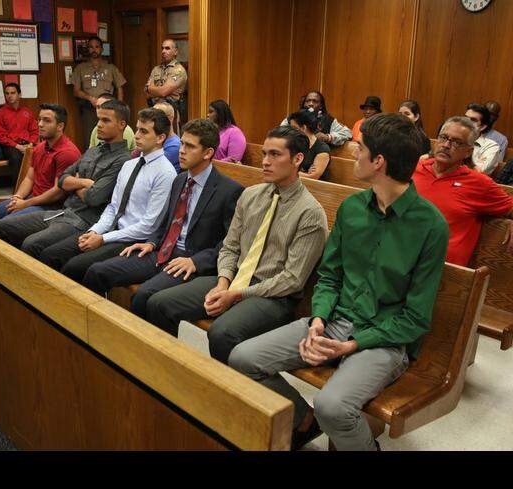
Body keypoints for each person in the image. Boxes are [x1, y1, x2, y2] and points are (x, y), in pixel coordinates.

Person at [229, 113, 448, 452]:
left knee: (334, 406)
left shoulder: (430, 226)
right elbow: (330, 276)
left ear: (379, 161)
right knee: (243, 358)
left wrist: (351, 346)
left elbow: (415, 318)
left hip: (383, 337)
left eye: (359, 148)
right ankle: (304, 418)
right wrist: (318, 321)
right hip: (333, 321)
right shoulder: (352, 209)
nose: (352, 153)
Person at [145, 126, 328, 363]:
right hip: (234, 279)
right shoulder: (251, 195)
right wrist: (223, 283)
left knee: (221, 332)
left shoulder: (310, 213)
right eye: (264, 154)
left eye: (275, 155)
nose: (265, 162)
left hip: (272, 296)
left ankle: (233, 395)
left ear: (298, 159)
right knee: (158, 303)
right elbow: (230, 247)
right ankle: (166, 375)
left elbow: (291, 280)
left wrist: (236, 294)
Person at [81, 119, 243, 317]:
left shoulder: (229, 191)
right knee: (97, 271)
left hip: (189, 260)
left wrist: (196, 261)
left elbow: (229, 243)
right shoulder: (180, 179)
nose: (181, 150)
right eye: (182, 143)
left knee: (143, 295)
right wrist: (151, 242)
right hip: (162, 251)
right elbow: (169, 221)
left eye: (190, 146)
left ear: (208, 153)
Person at [45, 108, 176, 282]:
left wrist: (103, 238)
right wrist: (94, 231)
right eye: (137, 129)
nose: (136, 135)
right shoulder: (130, 165)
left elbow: (148, 226)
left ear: (160, 138)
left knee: (75, 266)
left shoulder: (165, 173)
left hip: (132, 239)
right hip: (110, 229)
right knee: (51, 253)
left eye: (144, 131)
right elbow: (113, 207)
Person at [0, 100, 131, 260]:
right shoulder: (93, 150)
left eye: (105, 120)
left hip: (82, 221)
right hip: (63, 212)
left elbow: (93, 197)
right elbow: (63, 180)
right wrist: (83, 183)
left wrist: (73, 183)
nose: (98, 125)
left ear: (121, 125)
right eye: (98, 119)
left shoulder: (123, 160)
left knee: (31, 244)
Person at [412, 116, 513, 266]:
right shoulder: (414, 169)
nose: (447, 145)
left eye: (457, 142)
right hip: (404, 257)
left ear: (468, 152)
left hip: (443, 270)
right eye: (443, 138)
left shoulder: (478, 183)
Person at [0, 104, 81, 232]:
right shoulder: (39, 147)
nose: (40, 124)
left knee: (1, 225)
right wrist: (18, 197)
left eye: (47, 120)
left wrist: (25, 204)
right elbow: (29, 178)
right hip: (32, 199)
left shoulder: (67, 152)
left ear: (60, 126)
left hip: (51, 207)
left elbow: (57, 193)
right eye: (39, 119)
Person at [72, 36, 127, 149]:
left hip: (109, 109)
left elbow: (120, 87)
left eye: (97, 47)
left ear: (101, 49)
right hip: (90, 109)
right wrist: (90, 98)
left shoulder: (110, 68)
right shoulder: (80, 68)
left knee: (111, 135)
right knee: (90, 137)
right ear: (88, 49)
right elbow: (76, 91)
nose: (94, 49)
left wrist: (119, 107)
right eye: (91, 47)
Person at [0, 82, 39, 185]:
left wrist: (30, 144)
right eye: (7, 93)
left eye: (13, 93)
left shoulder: (27, 112)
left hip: (27, 143)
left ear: (19, 94)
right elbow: (0, 136)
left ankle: (37, 185)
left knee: (40, 153)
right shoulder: (0, 113)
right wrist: (17, 146)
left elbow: (35, 131)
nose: (9, 96)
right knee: (15, 157)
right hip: (10, 145)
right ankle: (19, 187)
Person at [280, 91, 351, 147]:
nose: (310, 104)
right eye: (308, 101)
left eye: (315, 101)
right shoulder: (293, 117)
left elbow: (347, 133)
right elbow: (280, 132)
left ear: (321, 106)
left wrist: (327, 137)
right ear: (304, 104)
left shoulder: (328, 120)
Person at [133, 100, 181, 169]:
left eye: (159, 114)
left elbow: (151, 167)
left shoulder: (175, 145)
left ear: (170, 118)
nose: (136, 136)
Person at [286, 110, 330, 181]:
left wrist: (290, 171)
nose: (290, 131)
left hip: (314, 189)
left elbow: (313, 177)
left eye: (293, 128)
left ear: (303, 128)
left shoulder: (322, 149)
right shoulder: (293, 143)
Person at [144, 39, 187, 110]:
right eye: (162, 48)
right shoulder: (156, 69)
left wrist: (150, 88)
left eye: (167, 48)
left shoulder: (178, 70)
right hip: (154, 108)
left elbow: (163, 92)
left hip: (170, 110)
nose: (163, 51)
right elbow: (147, 93)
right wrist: (152, 90)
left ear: (175, 52)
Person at [463, 103, 500, 174]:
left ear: (482, 127)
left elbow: (476, 172)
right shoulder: (451, 139)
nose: (466, 123)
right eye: (465, 118)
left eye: (473, 120)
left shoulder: (491, 146)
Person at [483, 100, 509, 166]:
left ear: (496, 118)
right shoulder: (470, 131)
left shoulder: (501, 139)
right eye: (485, 112)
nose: (487, 116)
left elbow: (496, 164)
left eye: (491, 114)